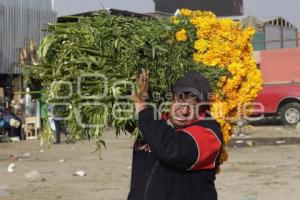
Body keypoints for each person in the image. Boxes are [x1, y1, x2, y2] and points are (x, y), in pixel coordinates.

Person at [128, 71, 224, 200]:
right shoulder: (156, 120)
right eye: (180, 99)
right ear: (170, 98)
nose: (184, 111)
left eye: (193, 106)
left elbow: (172, 150)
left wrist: (142, 107)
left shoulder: (209, 134)